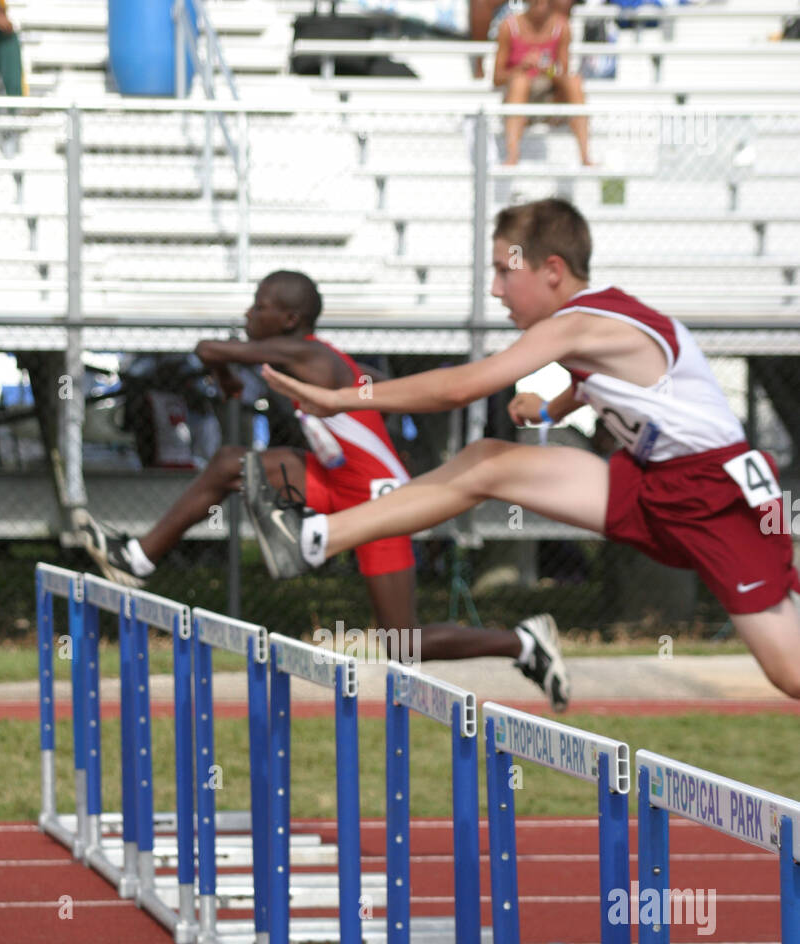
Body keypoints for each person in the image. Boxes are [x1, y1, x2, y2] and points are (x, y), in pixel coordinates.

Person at [246, 199, 800, 702]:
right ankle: (317, 538)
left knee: (789, 673)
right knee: (489, 461)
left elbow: (461, 386)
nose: (495, 289)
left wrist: (344, 397)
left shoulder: (580, 323)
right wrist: (548, 410)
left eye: (504, 271)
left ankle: (319, 537)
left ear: (552, 270)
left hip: (716, 498)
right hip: (651, 481)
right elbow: (620, 385)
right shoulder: (603, 320)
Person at [74, 270, 571, 710]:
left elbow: (209, 349)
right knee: (230, 463)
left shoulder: (306, 352)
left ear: (289, 319)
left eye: (260, 306)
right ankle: (137, 560)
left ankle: (524, 644)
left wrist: (224, 371)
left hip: (381, 502)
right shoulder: (316, 356)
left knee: (404, 645)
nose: (249, 312)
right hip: (334, 480)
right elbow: (376, 385)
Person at [493, 0, 592, 165]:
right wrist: (522, 67)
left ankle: (585, 157)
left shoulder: (562, 27)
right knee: (520, 82)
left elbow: (564, 75)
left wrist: (548, 69)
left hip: (549, 96)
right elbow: (497, 78)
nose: (542, 4)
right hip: (518, 96)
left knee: (575, 82)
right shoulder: (508, 26)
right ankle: (512, 156)